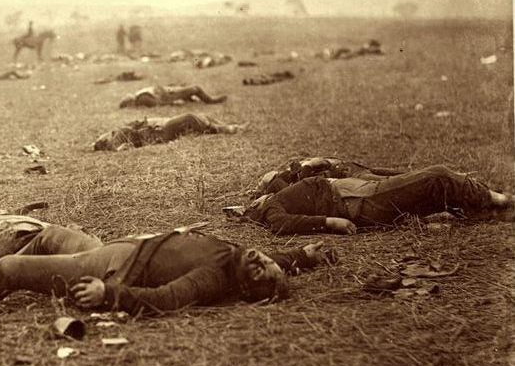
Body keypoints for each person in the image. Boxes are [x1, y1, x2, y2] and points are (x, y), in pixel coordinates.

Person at [0, 225, 332, 316]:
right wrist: (304, 257)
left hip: (114, 269)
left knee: (11, 267)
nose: (261, 262)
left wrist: (110, 297)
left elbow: (167, 299)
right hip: (119, 248)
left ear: (246, 287)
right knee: (53, 234)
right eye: (267, 262)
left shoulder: (217, 276)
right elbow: (272, 261)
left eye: (261, 274)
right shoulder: (241, 256)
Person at [244, 164, 513, 235]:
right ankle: (500, 199)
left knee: (427, 187)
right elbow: (283, 225)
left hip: (357, 192)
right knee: (437, 175)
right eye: (254, 200)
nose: (257, 195)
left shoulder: (276, 195)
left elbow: (276, 181)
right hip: (356, 201)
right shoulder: (270, 209)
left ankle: (484, 208)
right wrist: (329, 222)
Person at [253, 157, 405, 198]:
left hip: (349, 168)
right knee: (387, 182)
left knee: (392, 175)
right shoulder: (295, 184)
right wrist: (309, 165)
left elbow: (322, 162)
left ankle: (422, 175)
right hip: (352, 177)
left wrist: (314, 164)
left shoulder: (294, 172)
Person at [93, 113, 247, 151]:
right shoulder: (116, 138)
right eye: (101, 137)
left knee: (200, 116)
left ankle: (229, 126)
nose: (104, 134)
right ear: (104, 141)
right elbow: (124, 147)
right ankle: (224, 129)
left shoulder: (117, 134)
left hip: (158, 128)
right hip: (159, 134)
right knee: (189, 117)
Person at [118, 85, 227, 109]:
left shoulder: (140, 94)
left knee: (190, 89)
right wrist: (174, 103)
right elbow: (158, 103)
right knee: (196, 89)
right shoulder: (142, 97)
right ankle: (211, 101)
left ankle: (194, 100)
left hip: (168, 91)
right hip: (169, 95)